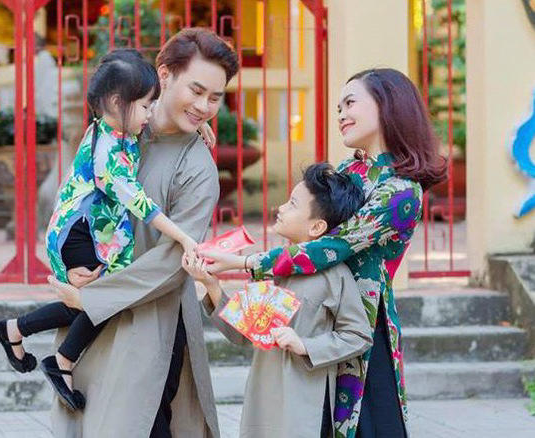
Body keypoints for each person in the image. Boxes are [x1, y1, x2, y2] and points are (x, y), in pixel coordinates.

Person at [201, 68, 447, 438]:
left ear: (386, 105)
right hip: (310, 307)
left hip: (360, 323)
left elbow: (330, 247)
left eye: (350, 103)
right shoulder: (349, 171)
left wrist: (244, 262)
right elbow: (307, 232)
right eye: (338, 108)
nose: (341, 114)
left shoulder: (400, 193)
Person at [45, 28, 239, 437]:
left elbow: (173, 262)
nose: (204, 107)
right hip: (90, 315)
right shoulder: (112, 134)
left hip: (150, 323)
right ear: (163, 74)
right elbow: (73, 200)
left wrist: (96, 296)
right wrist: (69, 264)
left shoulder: (197, 169)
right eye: (196, 90)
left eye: (215, 98)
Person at [0, 49, 201, 411]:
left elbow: (161, 120)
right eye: (145, 106)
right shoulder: (108, 154)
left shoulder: (114, 125)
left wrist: (198, 126)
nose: (150, 113)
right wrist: (183, 237)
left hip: (86, 229)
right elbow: (141, 204)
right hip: (79, 232)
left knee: (92, 300)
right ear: (119, 102)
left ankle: (15, 330)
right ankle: (61, 360)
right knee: (104, 298)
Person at [183, 163, 373, 438]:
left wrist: (305, 345)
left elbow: (358, 335)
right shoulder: (270, 268)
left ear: (317, 226)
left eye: (293, 204)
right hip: (264, 397)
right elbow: (243, 335)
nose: (281, 208)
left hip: (305, 402)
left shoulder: (335, 275)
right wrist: (211, 285)